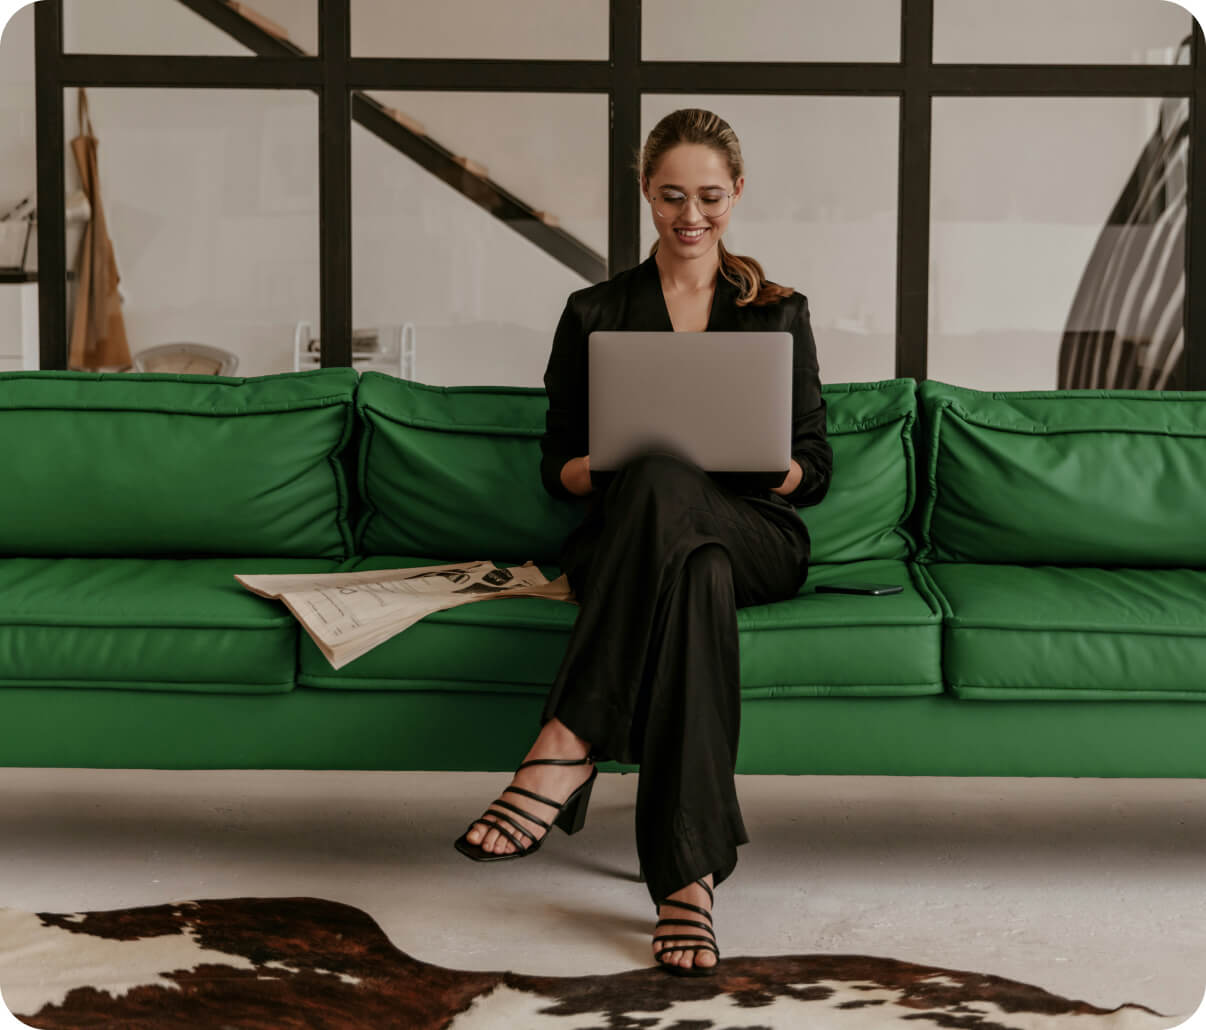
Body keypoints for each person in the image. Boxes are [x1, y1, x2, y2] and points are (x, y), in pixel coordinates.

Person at [453, 107, 834, 977]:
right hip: (635, 540)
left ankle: (567, 739)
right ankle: (687, 881)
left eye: (709, 196)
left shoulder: (778, 312)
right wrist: (617, 458)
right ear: (644, 193)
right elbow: (558, 466)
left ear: (736, 194)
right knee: (681, 541)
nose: (690, 215)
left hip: (756, 534)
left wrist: (763, 458)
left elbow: (816, 468)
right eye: (671, 196)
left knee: (685, 502)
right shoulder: (594, 310)